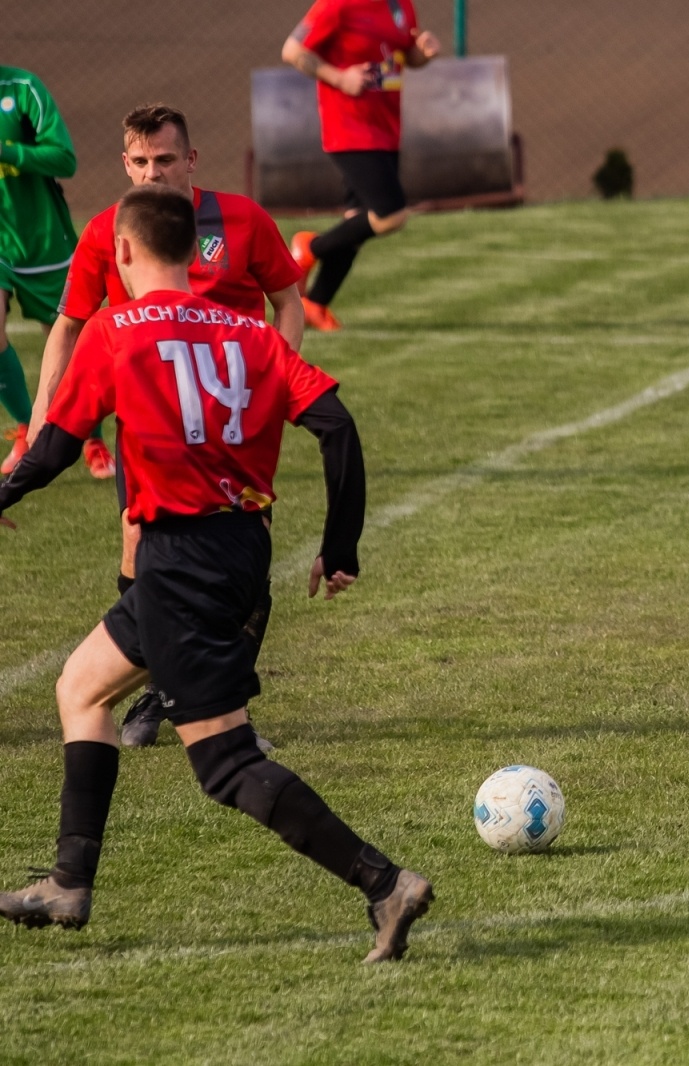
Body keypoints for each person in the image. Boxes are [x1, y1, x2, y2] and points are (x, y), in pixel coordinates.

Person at [0, 185, 432, 962]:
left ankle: (385, 883)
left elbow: (58, 449)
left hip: (178, 561)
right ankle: (69, 881)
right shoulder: (251, 332)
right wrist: (340, 547)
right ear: (192, 252)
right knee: (82, 686)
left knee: (227, 764)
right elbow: (334, 424)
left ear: (124, 252)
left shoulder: (113, 329)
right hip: (237, 550)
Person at [32, 104, 305, 748]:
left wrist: (278, 381)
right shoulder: (108, 231)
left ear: (191, 160)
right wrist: (43, 419)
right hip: (152, 430)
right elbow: (69, 325)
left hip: (232, 426)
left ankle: (224, 708)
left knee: (245, 560)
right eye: (140, 161)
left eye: (164, 159)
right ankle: (163, 691)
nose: (152, 173)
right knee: (138, 553)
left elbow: (287, 301)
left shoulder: (242, 220)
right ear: (125, 163)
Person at [281, 0, 442, 332]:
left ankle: (315, 304)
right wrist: (338, 78)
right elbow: (293, 50)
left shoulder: (401, 5)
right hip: (350, 128)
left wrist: (423, 54)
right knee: (391, 214)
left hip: (385, 128)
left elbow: (405, 55)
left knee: (357, 221)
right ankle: (309, 248)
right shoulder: (337, 5)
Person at [0, 65, 77, 476]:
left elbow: (64, 158)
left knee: (66, 337)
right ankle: (27, 433)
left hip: (41, 236)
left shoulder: (23, 87)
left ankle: (93, 439)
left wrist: (8, 151)